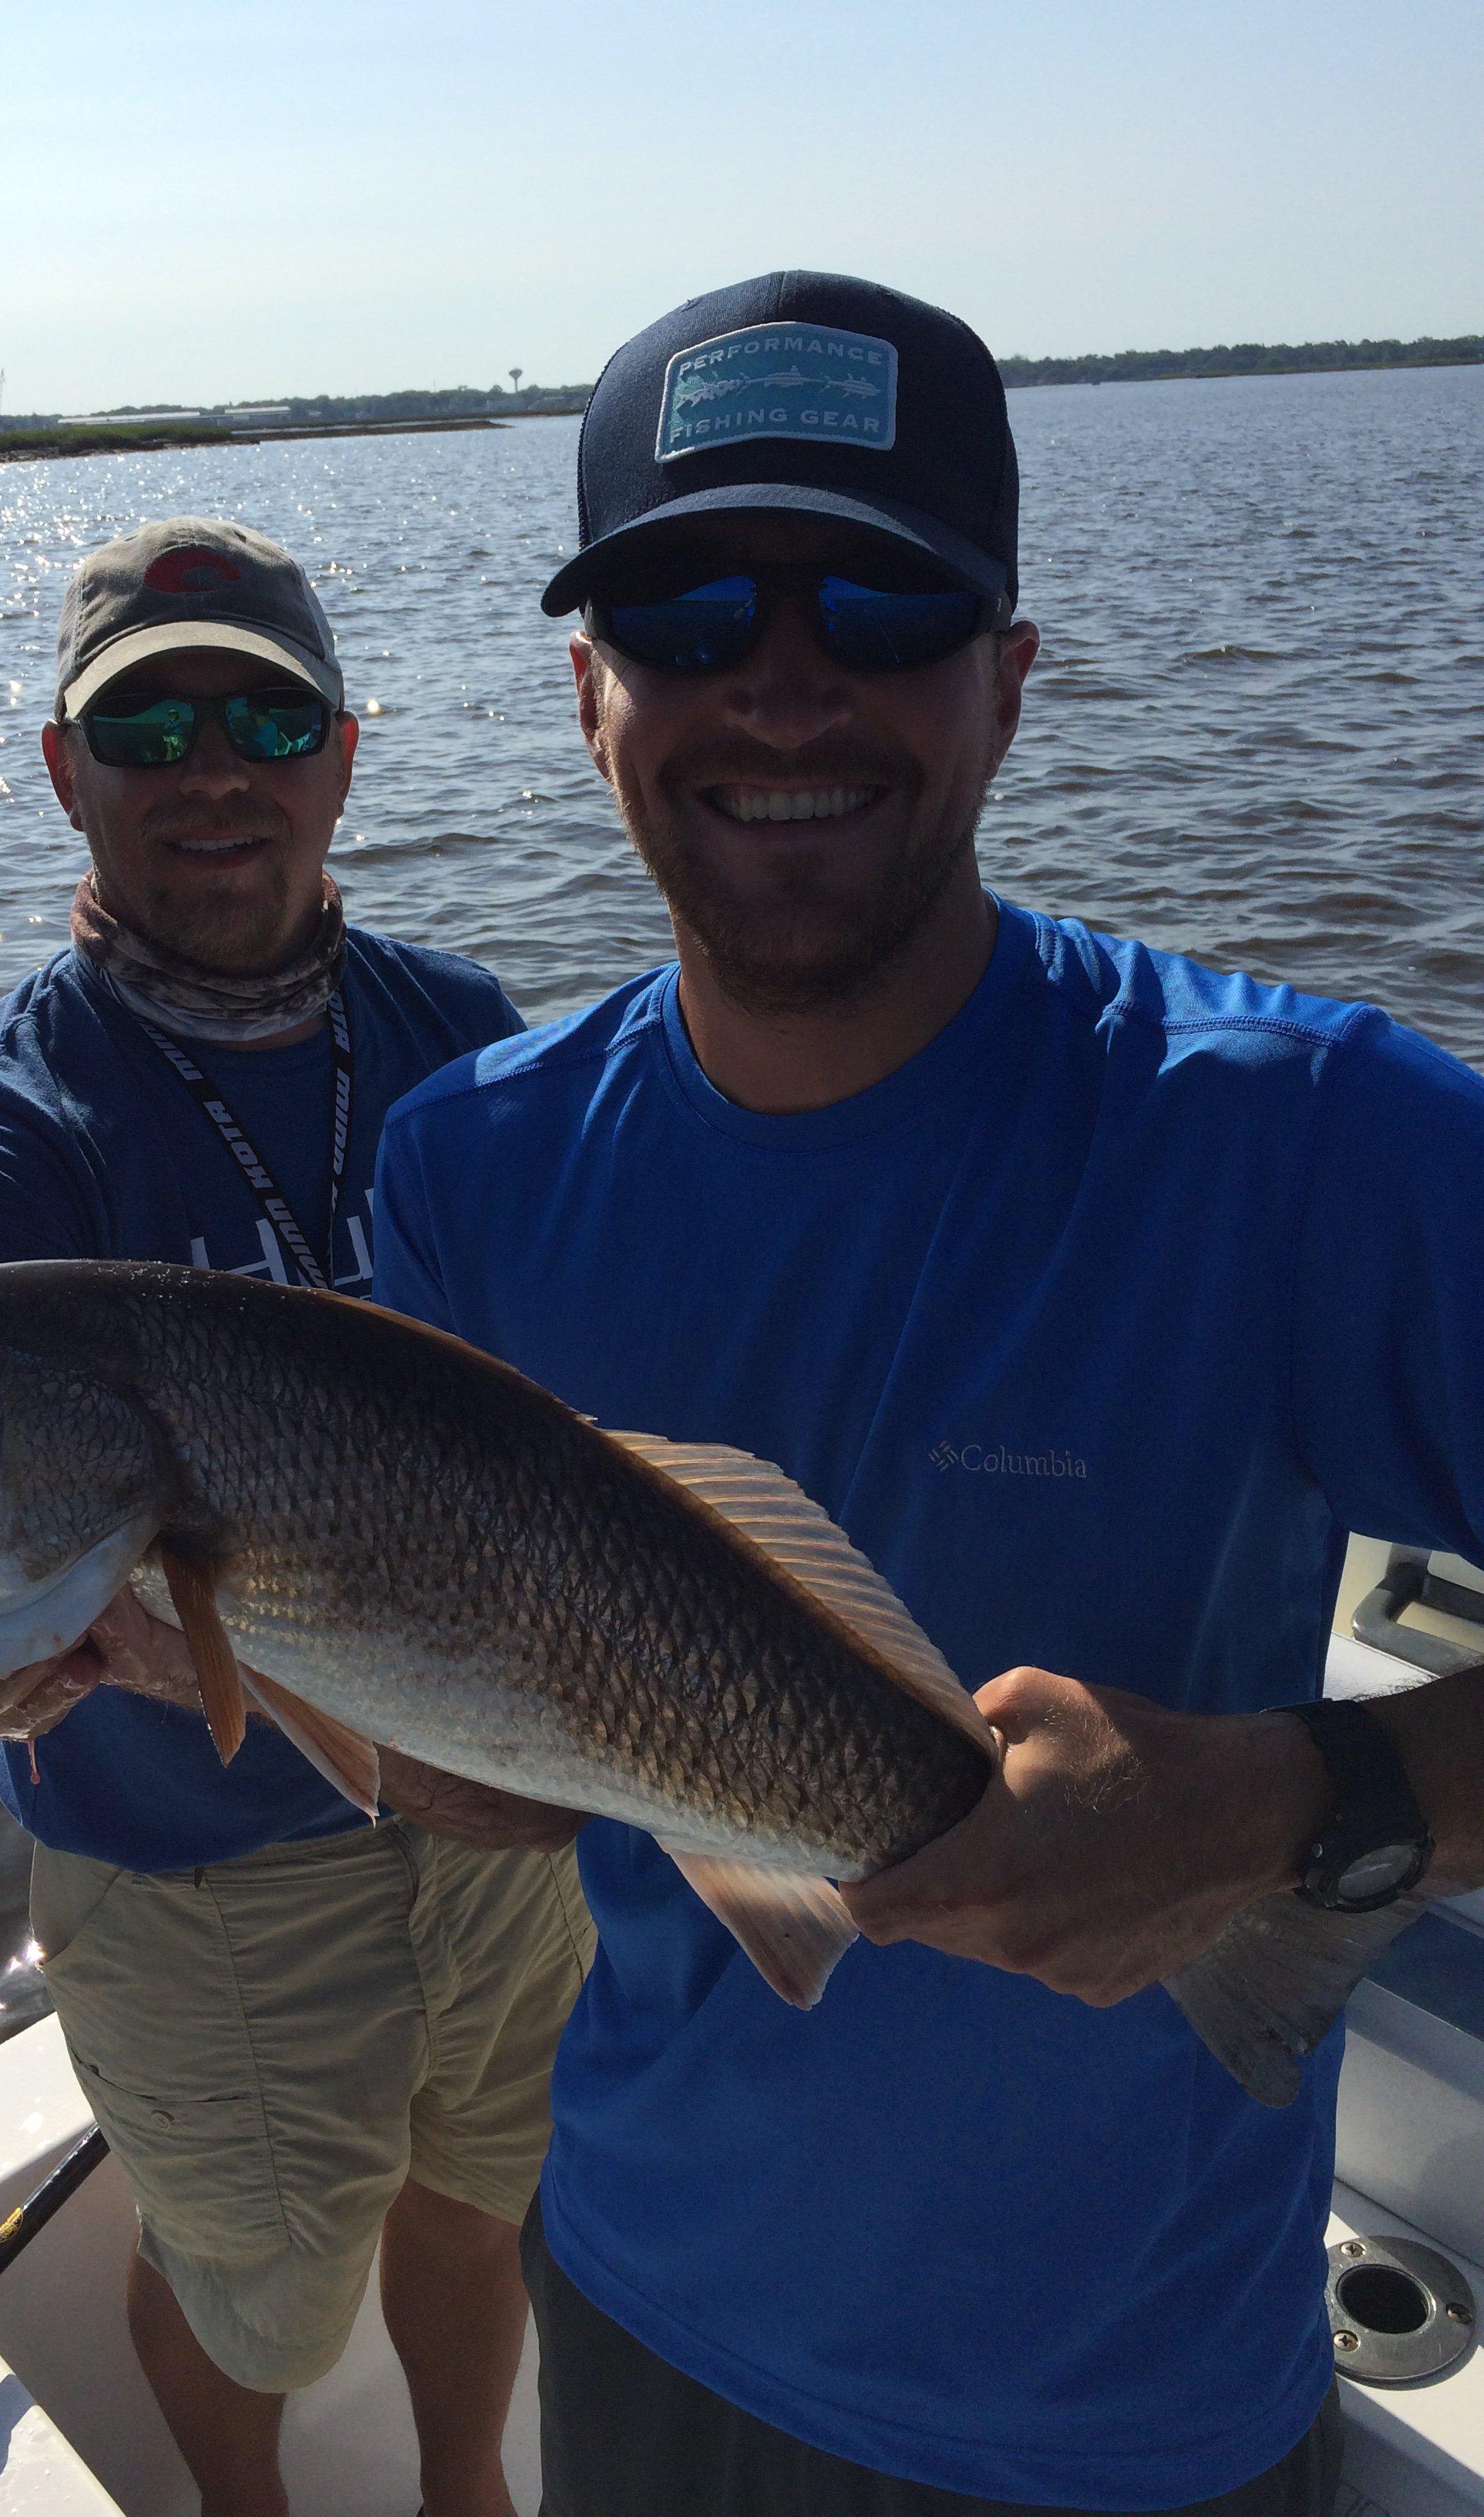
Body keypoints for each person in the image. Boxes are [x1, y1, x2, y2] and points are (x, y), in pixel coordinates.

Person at [363, 273, 1484, 2515]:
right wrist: (152, 1623)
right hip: (647, 2313)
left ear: (1008, 683)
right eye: (689, 608)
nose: (785, 678)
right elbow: (481, 1787)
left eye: (882, 600)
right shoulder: (466, 1167)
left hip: (1132, 2428)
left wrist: (1301, 1805)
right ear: (591, 693)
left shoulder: (1312, 1136)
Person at [0, 517, 593, 2517]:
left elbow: (591, 1424)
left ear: (340, 749)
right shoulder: (0, 1138)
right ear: (68, 776)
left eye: (263, 713)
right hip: (214, 1895)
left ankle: (466, 2492)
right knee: (261, 2311)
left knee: (484, 2194)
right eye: (148, 727)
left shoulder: (464, 1035)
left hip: (497, 1802)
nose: (211, 767)